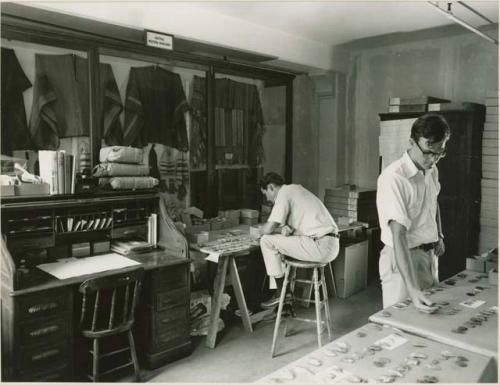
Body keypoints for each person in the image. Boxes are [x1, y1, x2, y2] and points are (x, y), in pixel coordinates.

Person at [376, 113, 450, 312]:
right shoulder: (394, 178)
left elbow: (433, 203)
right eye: (428, 152)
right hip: (402, 258)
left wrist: (439, 235)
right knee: (400, 321)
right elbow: (398, 234)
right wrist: (412, 287)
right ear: (412, 142)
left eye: (439, 153)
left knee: (427, 318)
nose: (433, 159)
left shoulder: (432, 170)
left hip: (427, 254)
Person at [256, 172, 340, 308]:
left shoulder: (283, 193)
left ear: (271, 187)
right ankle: (284, 305)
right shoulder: (296, 190)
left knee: (266, 240)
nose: (267, 199)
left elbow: (269, 228)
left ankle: (282, 293)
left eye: (265, 193)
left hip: (320, 245)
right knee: (278, 245)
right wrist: (286, 230)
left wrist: (257, 232)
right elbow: (292, 228)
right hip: (328, 244)